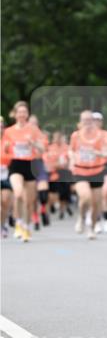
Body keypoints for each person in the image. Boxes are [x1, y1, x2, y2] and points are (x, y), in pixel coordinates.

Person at [3, 102, 45, 243]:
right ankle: (18, 223)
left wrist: (33, 144)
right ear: (15, 114)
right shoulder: (8, 131)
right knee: (19, 193)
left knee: (29, 202)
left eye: (24, 112)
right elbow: (5, 150)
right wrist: (7, 147)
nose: (22, 115)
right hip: (15, 164)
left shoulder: (33, 129)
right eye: (19, 112)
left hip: (30, 165)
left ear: (27, 114)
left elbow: (42, 148)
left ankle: (26, 227)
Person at [69, 110, 107, 239]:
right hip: (80, 171)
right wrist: (72, 159)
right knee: (85, 196)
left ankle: (92, 228)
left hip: (97, 171)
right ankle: (81, 217)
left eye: (90, 120)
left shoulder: (102, 136)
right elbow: (71, 151)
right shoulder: (75, 136)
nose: (88, 123)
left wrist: (100, 154)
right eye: (85, 120)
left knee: (96, 204)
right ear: (80, 122)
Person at [0, 117, 13, 238]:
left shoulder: (8, 140)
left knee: (5, 201)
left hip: (6, 174)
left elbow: (14, 155)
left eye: (1, 125)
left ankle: (3, 224)